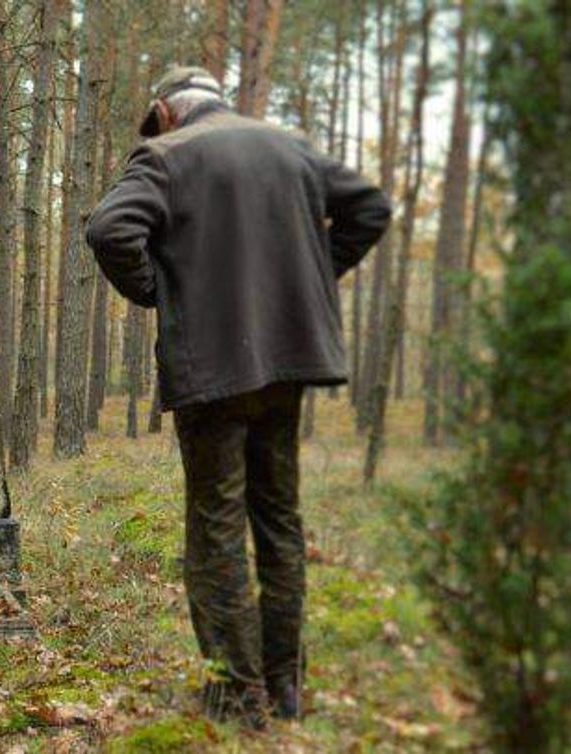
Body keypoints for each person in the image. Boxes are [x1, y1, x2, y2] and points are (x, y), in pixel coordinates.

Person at [85, 66, 391, 729]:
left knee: (218, 526)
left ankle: (238, 697)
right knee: (279, 521)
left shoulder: (164, 155)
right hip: (286, 362)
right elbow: (371, 207)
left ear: (166, 111)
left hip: (213, 370)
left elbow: (109, 231)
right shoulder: (291, 146)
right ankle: (284, 689)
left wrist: (159, 293)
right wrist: (304, 281)